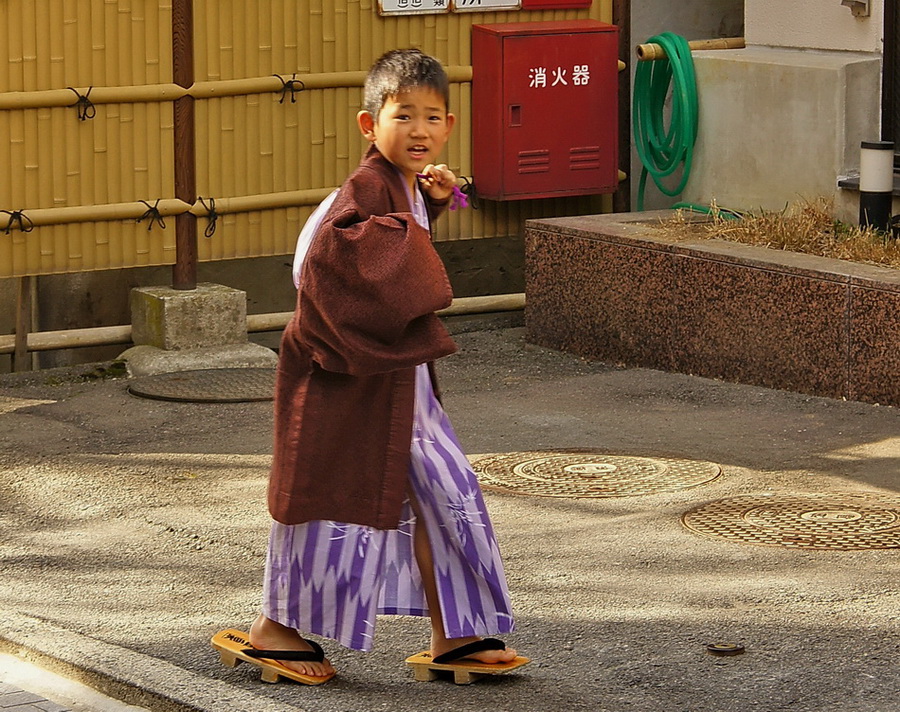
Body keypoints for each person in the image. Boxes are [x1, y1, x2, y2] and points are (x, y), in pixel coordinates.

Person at [215, 49, 522, 685]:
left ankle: (457, 633)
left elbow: (385, 253)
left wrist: (427, 210)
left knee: (445, 492)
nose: (418, 130)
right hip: (346, 374)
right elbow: (341, 260)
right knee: (334, 500)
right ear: (368, 124)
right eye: (402, 114)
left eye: (432, 117)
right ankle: (276, 629)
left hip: (391, 376)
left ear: (449, 126)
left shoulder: (400, 188)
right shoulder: (362, 192)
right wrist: (416, 233)